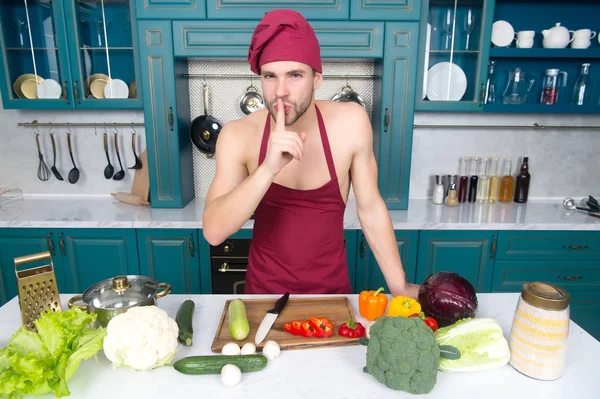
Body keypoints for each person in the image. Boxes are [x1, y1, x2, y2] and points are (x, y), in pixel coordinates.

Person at [202, 9, 419, 299]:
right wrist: (267, 169)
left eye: (295, 75)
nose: (281, 91)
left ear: (317, 78)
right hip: (263, 300)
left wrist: (400, 287)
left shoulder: (351, 122)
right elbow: (214, 232)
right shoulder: (237, 135)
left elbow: (370, 209)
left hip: (332, 299)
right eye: (270, 76)